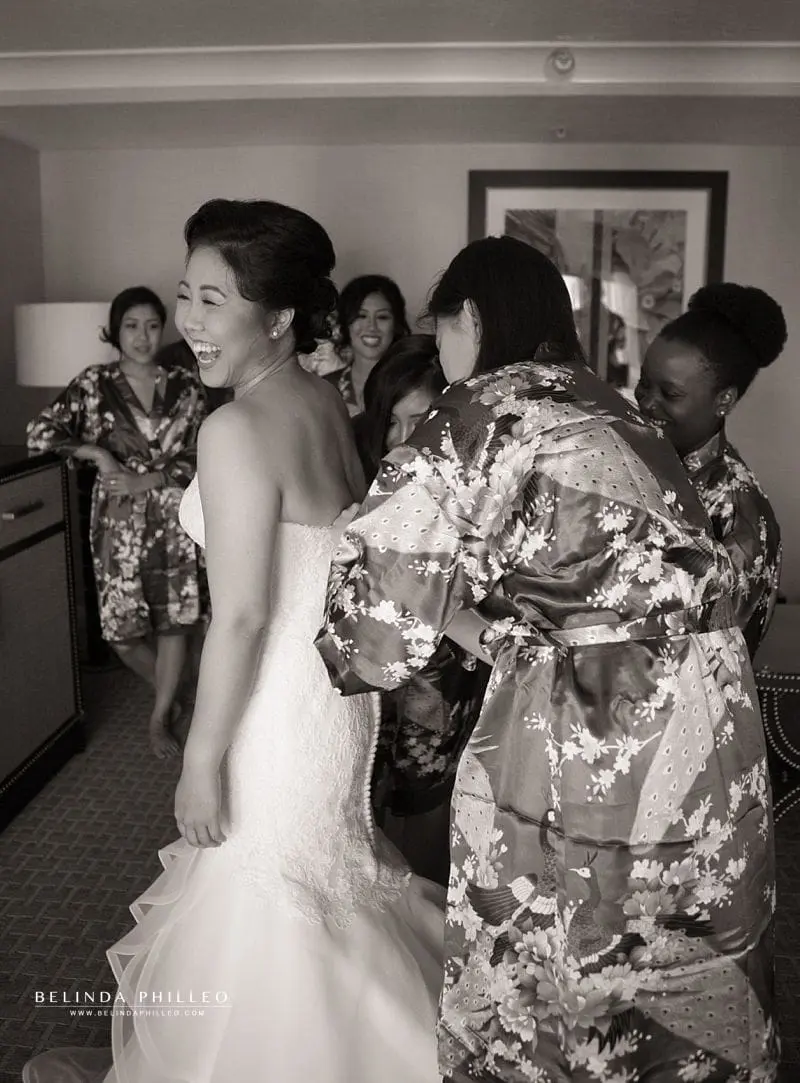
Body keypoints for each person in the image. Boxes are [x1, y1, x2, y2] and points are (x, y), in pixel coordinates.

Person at [316, 236, 778, 1081]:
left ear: (474, 319)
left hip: (595, 729)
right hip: (710, 722)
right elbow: (586, 593)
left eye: (440, 329)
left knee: (570, 953)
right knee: (679, 944)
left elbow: (373, 637)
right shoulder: (620, 412)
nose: (440, 354)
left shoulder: (480, 411)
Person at [23, 199, 443, 1083]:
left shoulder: (235, 426)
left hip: (278, 707)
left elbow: (245, 612)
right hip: (330, 700)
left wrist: (201, 757)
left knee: (270, 905)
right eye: (185, 296)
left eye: (213, 301)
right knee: (323, 885)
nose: (187, 323)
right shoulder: (322, 398)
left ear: (279, 317)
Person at [27, 286, 207, 758]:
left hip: (172, 518)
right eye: (132, 325)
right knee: (122, 633)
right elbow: (41, 431)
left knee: (174, 623)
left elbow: (206, 448)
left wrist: (155, 479)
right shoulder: (93, 383)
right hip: (116, 524)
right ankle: (182, 692)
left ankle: (159, 715)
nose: (144, 336)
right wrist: (98, 454)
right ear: (116, 330)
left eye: (152, 325)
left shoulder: (185, 383)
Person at [356, 334, 490, 885]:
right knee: (366, 796)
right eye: (394, 420)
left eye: (423, 421)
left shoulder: (472, 488)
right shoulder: (365, 475)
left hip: (443, 670)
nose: (407, 438)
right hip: (372, 660)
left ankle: (429, 929)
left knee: (428, 801)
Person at [635, 282, 785, 658]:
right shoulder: (633, 457)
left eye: (670, 394)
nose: (647, 404)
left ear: (724, 400)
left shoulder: (740, 518)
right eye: (643, 384)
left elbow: (715, 659)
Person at [300, 273, 410, 414]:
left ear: (396, 325)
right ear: (346, 324)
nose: (371, 327)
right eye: (361, 316)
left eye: (382, 317)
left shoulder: (410, 386)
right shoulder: (325, 388)